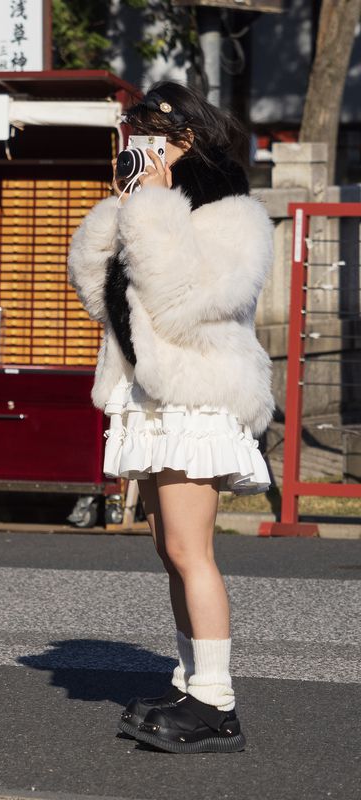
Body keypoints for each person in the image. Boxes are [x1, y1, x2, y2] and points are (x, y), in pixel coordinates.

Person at [67, 81, 273, 753]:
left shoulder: (233, 215)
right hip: (153, 400)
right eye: (134, 137)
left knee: (191, 551)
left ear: (186, 139)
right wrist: (122, 210)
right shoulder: (152, 206)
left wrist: (153, 207)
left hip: (195, 398)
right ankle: (191, 683)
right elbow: (100, 298)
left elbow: (183, 301)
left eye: (153, 138)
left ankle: (217, 704)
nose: (140, 148)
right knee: (168, 550)